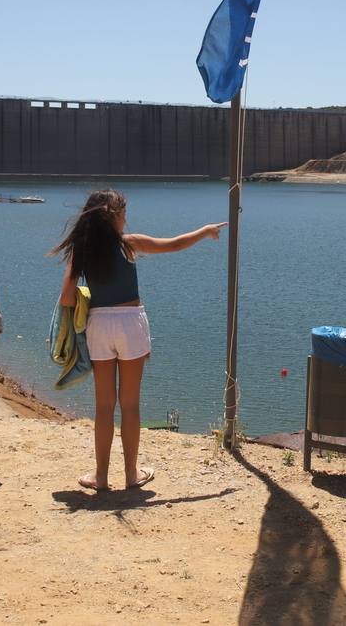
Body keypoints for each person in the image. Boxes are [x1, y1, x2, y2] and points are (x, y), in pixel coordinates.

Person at [52, 189, 224, 491]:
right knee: (129, 404)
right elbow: (173, 245)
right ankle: (131, 475)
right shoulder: (128, 246)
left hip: (99, 325)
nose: (126, 219)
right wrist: (205, 231)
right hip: (131, 323)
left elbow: (67, 298)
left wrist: (86, 294)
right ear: (114, 217)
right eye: (123, 214)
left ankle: (101, 476)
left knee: (104, 405)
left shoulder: (83, 252)